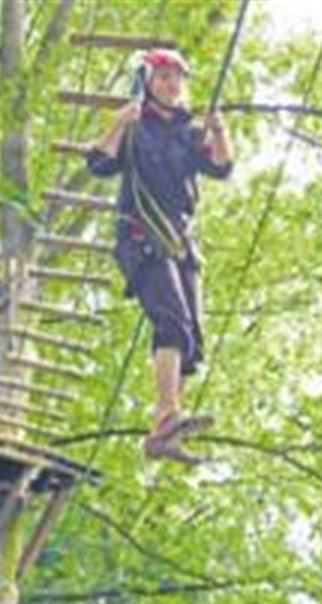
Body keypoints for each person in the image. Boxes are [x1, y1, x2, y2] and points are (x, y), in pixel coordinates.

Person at [85, 48, 234, 464]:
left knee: (191, 339)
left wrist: (219, 132)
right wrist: (119, 121)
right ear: (148, 82)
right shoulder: (136, 128)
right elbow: (98, 163)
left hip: (180, 239)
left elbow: (221, 168)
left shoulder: (188, 133)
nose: (173, 86)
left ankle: (163, 433)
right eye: (165, 78)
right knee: (171, 318)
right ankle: (167, 412)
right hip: (141, 233)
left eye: (178, 79)